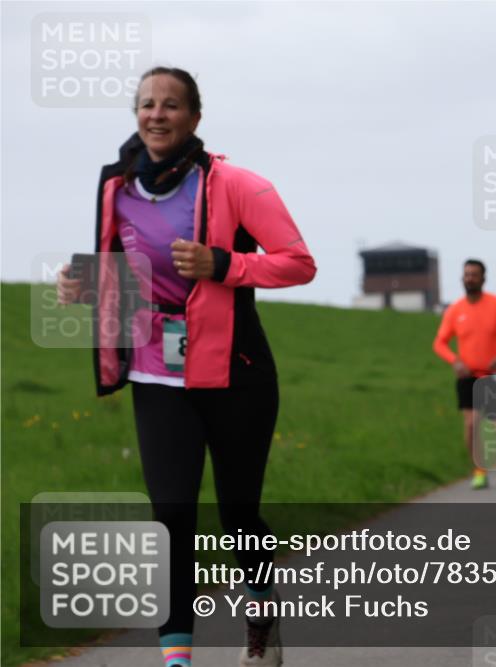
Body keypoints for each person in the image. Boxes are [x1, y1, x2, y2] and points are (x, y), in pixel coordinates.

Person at [56, 67, 316, 667]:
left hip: (235, 375)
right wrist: (83, 282)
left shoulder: (238, 185)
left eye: (171, 105)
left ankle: (260, 611)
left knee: (238, 517)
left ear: (195, 117)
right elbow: (129, 270)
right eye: (147, 104)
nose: (157, 114)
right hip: (157, 374)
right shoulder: (118, 187)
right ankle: (177, 661)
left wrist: (223, 264)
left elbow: (299, 263)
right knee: (171, 517)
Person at [433, 259, 496, 489]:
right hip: (468, 376)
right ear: (462, 278)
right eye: (467, 274)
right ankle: (479, 470)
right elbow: (439, 343)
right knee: (471, 425)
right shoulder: (455, 311)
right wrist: (455, 361)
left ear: (483, 278)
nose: (470, 278)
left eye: (474, 274)